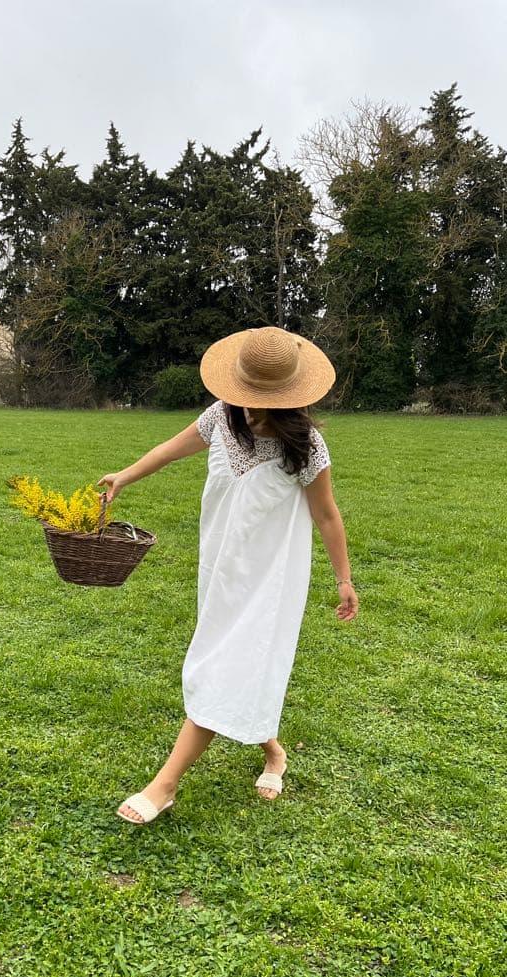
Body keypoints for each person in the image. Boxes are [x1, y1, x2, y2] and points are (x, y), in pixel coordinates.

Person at [98, 326, 359, 825]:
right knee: (233, 665)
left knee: (224, 668)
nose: (250, 404)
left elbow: (327, 515)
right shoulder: (221, 417)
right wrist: (124, 476)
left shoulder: (305, 447)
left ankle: (164, 785)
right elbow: (170, 448)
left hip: (271, 577)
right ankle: (275, 752)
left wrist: (344, 580)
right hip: (220, 567)